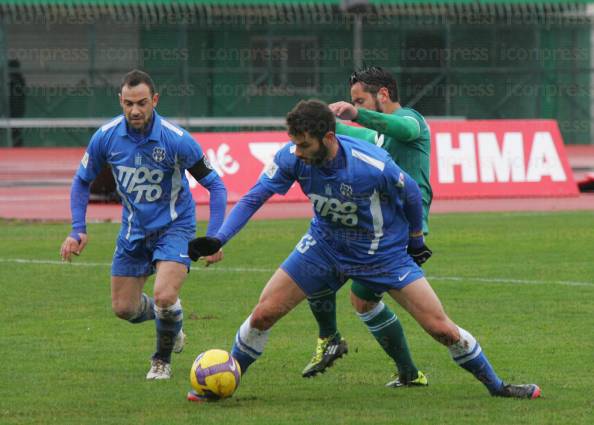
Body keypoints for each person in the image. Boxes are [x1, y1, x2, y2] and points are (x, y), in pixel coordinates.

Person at [187, 99, 541, 401]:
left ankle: (498, 388)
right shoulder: (292, 158)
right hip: (324, 246)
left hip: (381, 253)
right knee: (264, 313)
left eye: (303, 145)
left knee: (441, 329)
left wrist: (416, 240)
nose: (297, 152)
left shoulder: (370, 165)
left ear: (328, 138)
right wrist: (220, 239)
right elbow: (253, 197)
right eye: (293, 144)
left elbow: (412, 195)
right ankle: (225, 382)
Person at [59, 69, 227, 380]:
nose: (135, 110)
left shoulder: (177, 140)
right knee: (124, 308)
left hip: (175, 229)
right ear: (120, 101)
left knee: (164, 294)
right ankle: (171, 320)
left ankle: (160, 360)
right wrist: (77, 228)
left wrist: (215, 237)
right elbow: (81, 181)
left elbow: (216, 186)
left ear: (155, 101)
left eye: (142, 102)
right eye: (128, 103)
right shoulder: (106, 137)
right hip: (133, 231)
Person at [301, 66, 433, 385]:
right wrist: (319, 123)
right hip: (376, 227)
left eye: (359, 100)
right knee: (362, 298)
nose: (355, 108)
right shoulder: (379, 135)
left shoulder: (412, 121)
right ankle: (408, 373)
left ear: (383, 95)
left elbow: (394, 127)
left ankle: (332, 339)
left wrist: (356, 115)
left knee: (424, 317)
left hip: (400, 229)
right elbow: (356, 134)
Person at [9, 59, 26, 147]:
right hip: (17, 113)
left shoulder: (15, 81)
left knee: (15, 136)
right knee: (16, 136)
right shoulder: (20, 80)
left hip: (13, 113)